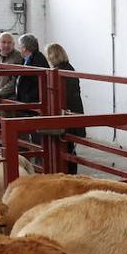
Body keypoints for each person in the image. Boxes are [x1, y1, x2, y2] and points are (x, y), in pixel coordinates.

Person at [44, 42, 86, 175]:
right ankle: (69, 174)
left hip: (68, 115)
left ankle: (70, 175)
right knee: (68, 148)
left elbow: (66, 96)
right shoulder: (66, 69)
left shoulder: (62, 72)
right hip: (71, 114)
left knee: (67, 148)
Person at [12, 33, 50, 112]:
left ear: (24, 48)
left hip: (33, 102)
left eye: (20, 46)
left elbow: (37, 81)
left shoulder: (37, 60)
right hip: (27, 101)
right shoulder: (26, 59)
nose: (19, 49)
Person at [0, 32, 22, 103]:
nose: (6, 45)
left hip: (11, 99)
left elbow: (15, 80)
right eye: (4, 42)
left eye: (9, 42)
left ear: (13, 44)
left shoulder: (18, 57)